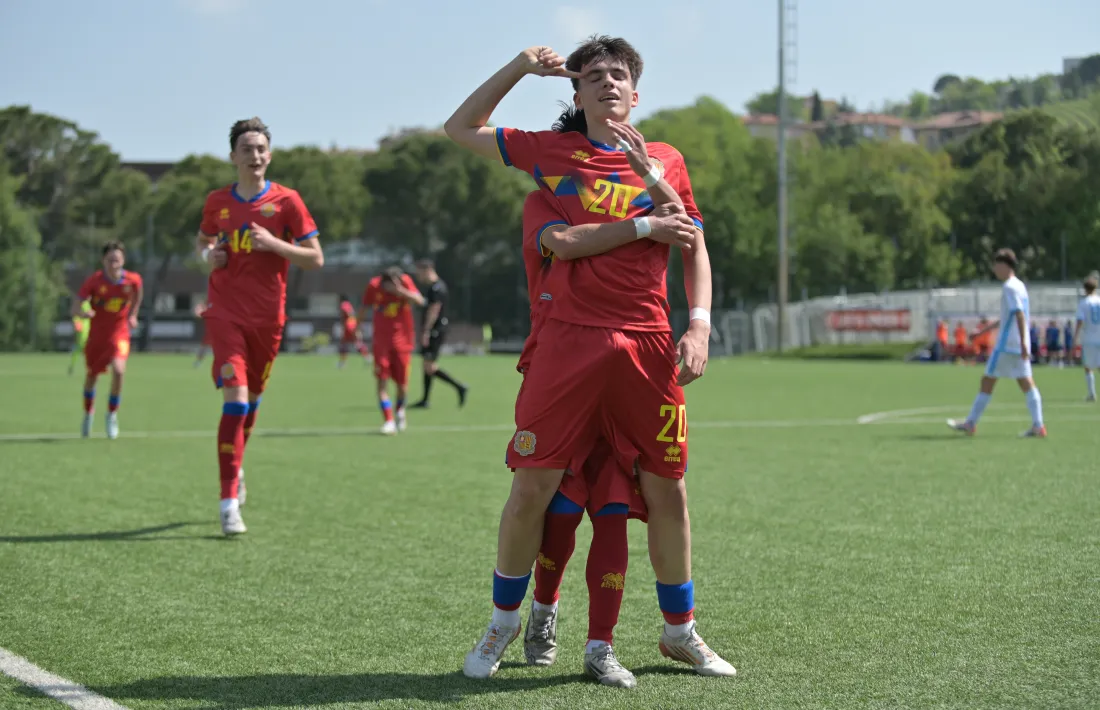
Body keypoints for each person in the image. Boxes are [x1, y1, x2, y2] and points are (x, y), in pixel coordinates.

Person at [445, 36, 733, 679]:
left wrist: (700, 326)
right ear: (576, 94)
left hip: (650, 342)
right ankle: (502, 624)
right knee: (532, 486)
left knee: (669, 489)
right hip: (568, 341)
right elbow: (460, 128)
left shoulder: (666, 161)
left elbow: (694, 246)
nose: (608, 82)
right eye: (595, 75)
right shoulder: (553, 155)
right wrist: (521, 67)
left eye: (619, 75)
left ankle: (679, 630)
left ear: (636, 93)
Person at [517, 184, 648, 687]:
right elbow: (568, 243)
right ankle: (543, 610)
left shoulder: (631, 204)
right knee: (564, 511)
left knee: (614, 514)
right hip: (560, 383)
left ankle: (601, 645)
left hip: (618, 380)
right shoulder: (548, 207)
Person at [195, 117, 323, 536]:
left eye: (261, 149)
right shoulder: (218, 201)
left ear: (269, 155)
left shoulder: (287, 202)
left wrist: (274, 245)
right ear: (233, 156)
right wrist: (209, 255)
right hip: (224, 311)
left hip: (268, 319)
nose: (255, 156)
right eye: (247, 149)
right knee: (235, 399)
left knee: (249, 407)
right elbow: (203, 242)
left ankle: (237, 466)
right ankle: (228, 501)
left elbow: (314, 257)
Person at [948, 249, 1046, 438]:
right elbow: (1009, 316)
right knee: (1026, 383)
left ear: (1004, 265)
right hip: (1018, 344)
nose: (994, 269)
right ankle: (1038, 425)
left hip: (1007, 345)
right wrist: (983, 331)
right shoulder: (1020, 286)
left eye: (996, 265)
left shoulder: (1009, 287)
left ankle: (970, 423)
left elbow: (1018, 314)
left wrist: (1023, 343)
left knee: (987, 381)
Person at [75, 241, 143, 439]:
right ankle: (88, 414)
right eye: (110, 259)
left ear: (123, 261)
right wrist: (83, 313)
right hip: (97, 337)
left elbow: (138, 294)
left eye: (118, 259)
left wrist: (133, 314)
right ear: (103, 261)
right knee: (92, 377)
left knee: (119, 371)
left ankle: (112, 414)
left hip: (119, 333)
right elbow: (76, 306)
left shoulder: (133, 280)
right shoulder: (94, 282)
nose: (114, 263)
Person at [360, 266, 424, 435]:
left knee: (402, 385)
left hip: (403, 342)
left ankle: (400, 411)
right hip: (381, 343)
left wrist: (401, 291)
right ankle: (388, 420)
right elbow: (364, 307)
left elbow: (420, 301)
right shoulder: (374, 286)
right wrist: (356, 327)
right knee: (382, 382)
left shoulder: (405, 282)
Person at [410, 259, 468, 408]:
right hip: (434, 329)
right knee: (426, 365)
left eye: (419, 272)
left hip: (436, 330)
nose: (418, 276)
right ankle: (425, 400)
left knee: (429, 366)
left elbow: (434, 310)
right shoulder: (433, 288)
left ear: (427, 270)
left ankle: (459, 387)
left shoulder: (437, 288)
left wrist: (426, 331)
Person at [1073, 276, 1100, 401]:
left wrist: (1075, 337)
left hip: (1089, 338)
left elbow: (1080, 321)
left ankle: (1092, 394)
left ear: (1085, 289)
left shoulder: (1084, 303)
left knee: (1088, 366)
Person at [336, 294, 370, 369]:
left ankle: (342, 363)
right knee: (357, 342)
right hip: (352, 325)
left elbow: (349, 313)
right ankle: (367, 358)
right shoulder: (349, 304)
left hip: (349, 326)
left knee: (344, 344)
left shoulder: (343, 304)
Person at [68, 298, 93, 376]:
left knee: (82, 348)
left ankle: (73, 366)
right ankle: (88, 367)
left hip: (88, 329)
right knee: (83, 347)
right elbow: (76, 313)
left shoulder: (89, 303)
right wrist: (77, 323)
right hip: (82, 329)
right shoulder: (81, 301)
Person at [193, 299, 212, 368]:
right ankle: (198, 362)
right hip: (209, 332)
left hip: (218, 331)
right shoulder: (204, 306)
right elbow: (198, 314)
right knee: (203, 348)